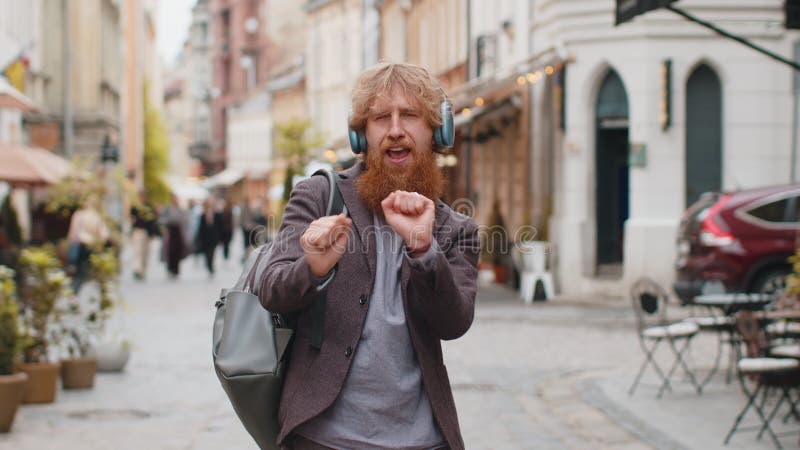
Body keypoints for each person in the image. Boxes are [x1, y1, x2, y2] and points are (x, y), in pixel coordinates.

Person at [260, 62, 479, 450]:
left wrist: (424, 251)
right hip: (322, 437)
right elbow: (271, 291)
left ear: (436, 131)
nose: (395, 129)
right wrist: (311, 268)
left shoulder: (455, 228)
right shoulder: (318, 196)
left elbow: (454, 323)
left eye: (410, 115)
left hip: (423, 440)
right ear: (360, 134)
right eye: (381, 118)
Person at [67, 195, 110, 293]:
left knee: (76, 272)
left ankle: (73, 292)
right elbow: (104, 234)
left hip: (79, 246)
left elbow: (73, 233)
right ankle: (75, 292)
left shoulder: (79, 215)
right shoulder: (96, 216)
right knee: (83, 272)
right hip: (89, 246)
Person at [130, 192, 159, 280]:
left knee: (146, 252)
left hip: (147, 232)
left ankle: (143, 270)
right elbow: (132, 219)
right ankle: (137, 269)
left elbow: (153, 221)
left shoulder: (149, 207)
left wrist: (153, 233)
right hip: (138, 231)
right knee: (138, 250)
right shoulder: (135, 207)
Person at [159, 195, 188, 279]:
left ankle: (176, 270)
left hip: (178, 231)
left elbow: (185, 219)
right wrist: (168, 221)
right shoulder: (167, 209)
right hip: (170, 231)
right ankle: (170, 269)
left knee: (177, 251)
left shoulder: (180, 209)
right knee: (170, 251)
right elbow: (161, 219)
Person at [197, 196, 221, 277]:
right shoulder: (203, 215)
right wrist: (200, 238)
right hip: (205, 237)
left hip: (214, 237)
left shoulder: (217, 214)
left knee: (212, 253)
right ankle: (209, 266)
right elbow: (201, 227)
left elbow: (220, 226)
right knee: (207, 253)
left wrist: (219, 237)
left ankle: (211, 267)